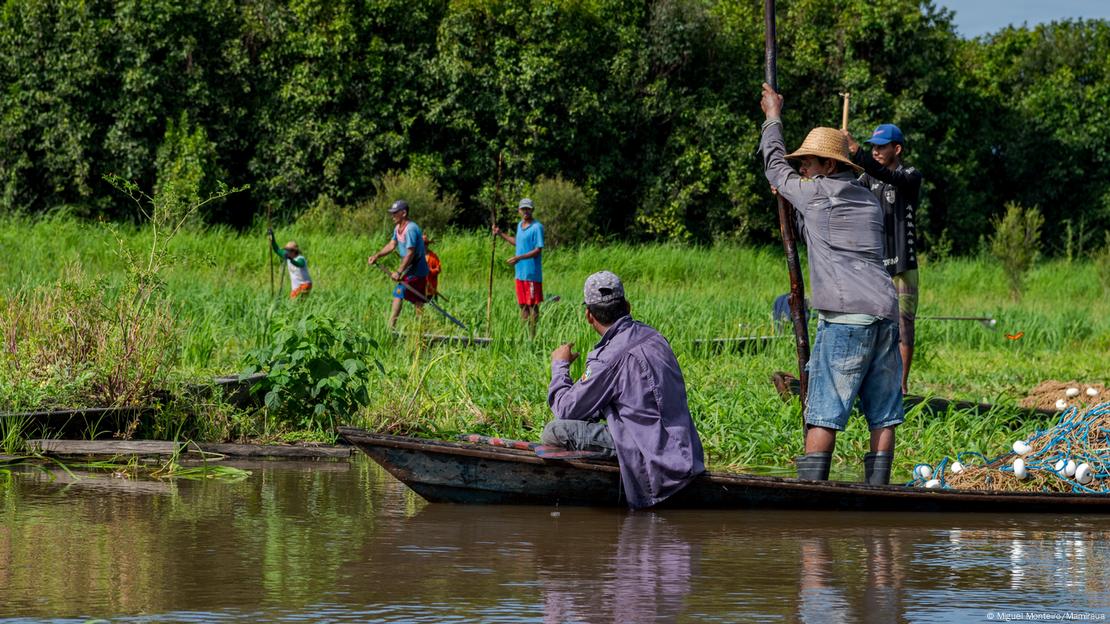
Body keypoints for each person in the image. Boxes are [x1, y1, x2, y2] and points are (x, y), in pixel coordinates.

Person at [760, 83, 903, 485]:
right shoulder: (866, 200)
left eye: (807, 163)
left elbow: (774, 166)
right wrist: (795, 196)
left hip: (846, 319)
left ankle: (811, 493)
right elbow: (821, 229)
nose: (801, 170)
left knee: (823, 408)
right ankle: (878, 491)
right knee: (884, 411)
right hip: (885, 313)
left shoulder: (818, 194)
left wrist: (773, 116)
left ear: (826, 165)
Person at [543, 270, 705, 509]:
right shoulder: (656, 337)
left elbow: (566, 409)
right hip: (687, 451)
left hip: (656, 463)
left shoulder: (608, 358)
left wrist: (560, 366)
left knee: (554, 432)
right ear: (627, 306)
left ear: (588, 315)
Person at [843, 124, 924, 396]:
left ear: (896, 149)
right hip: (875, 266)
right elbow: (846, 190)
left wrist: (858, 152)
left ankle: (900, 385)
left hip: (903, 266)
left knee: (903, 324)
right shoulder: (867, 179)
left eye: (881, 146)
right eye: (873, 147)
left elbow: (887, 176)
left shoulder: (910, 176)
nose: (876, 151)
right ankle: (867, 378)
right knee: (870, 321)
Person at [367, 200, 429, 328]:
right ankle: (419, 328)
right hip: (409, 269)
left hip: (417, 269)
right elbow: (392, 245)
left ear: (404, 213)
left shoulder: (411, 229)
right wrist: (377, 255)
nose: (392, 216)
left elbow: (410, 253)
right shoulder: (397, 228)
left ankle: (394, 327)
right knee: (417, 300)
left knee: (400, 293)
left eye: (395, 213)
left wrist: (399, 271)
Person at [493, 198, 544, 336]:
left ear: (532, 210)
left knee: (533, 306)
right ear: (519, 211)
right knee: (522, 305)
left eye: (528, 209)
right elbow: (518, 243)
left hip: (531, 274)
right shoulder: (520, 225)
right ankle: (523, 335)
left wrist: (519, 258)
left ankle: (533, 336)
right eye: (523, 209)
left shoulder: (537, 227)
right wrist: (500, 233)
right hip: (520, 274)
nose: (526, 211)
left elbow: (538, 249)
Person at [268, 228, 312, 298]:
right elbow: (276, 249)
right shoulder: (287, 255)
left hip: (305, 284)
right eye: (286, 250)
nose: (287, 252)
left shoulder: (301, 259)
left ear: (294, 251)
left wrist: (290, 259)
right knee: (298, 304)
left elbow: (299, 264)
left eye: (289, 250)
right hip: (296, 286)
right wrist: (272, 236)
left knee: (294, 300)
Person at [423, 234, 442, 300]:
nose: (424, 245)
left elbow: (438, 269)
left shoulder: (433, 256)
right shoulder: (416, 256)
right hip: (419, 287)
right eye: (422, 244)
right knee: (419, 305)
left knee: (432, 306)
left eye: (426, 243)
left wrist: (430, 271)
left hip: (431, 287)